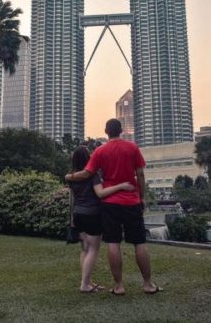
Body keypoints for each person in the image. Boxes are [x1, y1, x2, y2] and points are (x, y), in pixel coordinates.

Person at [66, 119, 161, 295]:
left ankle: (118, 286)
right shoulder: (132, 147)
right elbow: (140, 173)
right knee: (139, 242)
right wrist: (142, 196)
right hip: (131, 200)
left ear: (106, 131)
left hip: (109, 203)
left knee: (113, 242)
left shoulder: (100, 151)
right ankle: (148, 284)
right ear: (122, 130)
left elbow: (87, 173)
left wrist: (70, 177)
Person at [69, 145, 134, 293]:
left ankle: (87, 282)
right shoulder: (93, 174)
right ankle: (85, 285)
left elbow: (72, 198)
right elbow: (101, 193)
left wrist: (72, 218)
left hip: (78, 214)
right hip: (92, 214)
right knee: (93, 249)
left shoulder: (72, 176)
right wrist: (121, 186)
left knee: (85, 249)